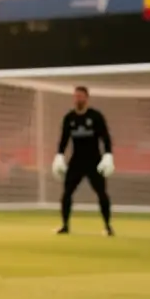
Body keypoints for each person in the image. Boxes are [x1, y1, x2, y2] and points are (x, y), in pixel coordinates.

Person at [52, 85, 114, 236]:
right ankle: (65, 226)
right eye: (75, 96)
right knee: (66, 193)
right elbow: (64, 139)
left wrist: (108, 155)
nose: (77, 99)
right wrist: (59, 156)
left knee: (102, 193)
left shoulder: (95, 116)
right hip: (76, 162)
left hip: (94, 161)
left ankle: (108, 226)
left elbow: (105, 137)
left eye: (80, 96)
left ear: (86, 98)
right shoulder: (69, 118)